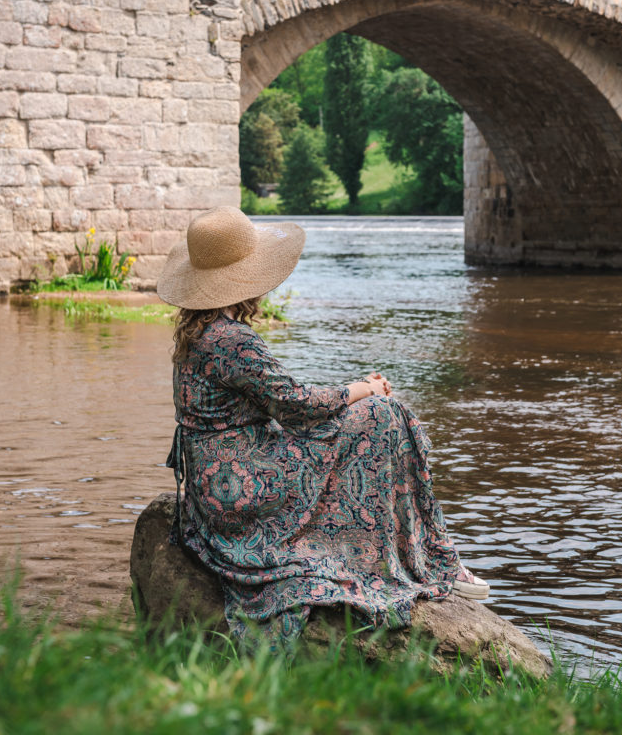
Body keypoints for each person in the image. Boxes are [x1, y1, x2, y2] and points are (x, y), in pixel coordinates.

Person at [157, 205, 489, 648]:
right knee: (385, 416)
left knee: (373, 418)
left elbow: (281, 406)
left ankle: (428, 552)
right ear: (246, 281)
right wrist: (361, 388)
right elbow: (297, 406)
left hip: (213, 488)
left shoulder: (197, 332)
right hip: (242, 493)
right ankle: (434, 557)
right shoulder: (234, 340)